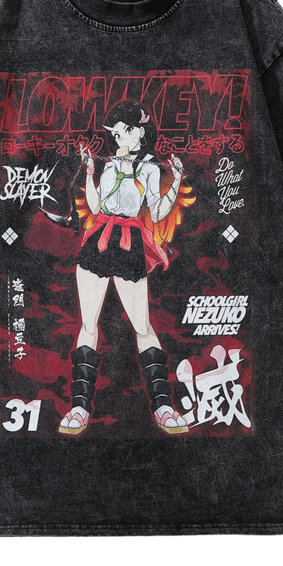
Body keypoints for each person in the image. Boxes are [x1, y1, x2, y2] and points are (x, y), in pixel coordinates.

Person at [59, 100, 189, 436]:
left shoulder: (149, 168)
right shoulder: (109, 164)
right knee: (88, 324)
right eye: (115, 134)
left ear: (140, 132)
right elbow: (96, 206)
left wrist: (176, 180)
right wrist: (90, 172)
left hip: (129, 243)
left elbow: (157, 213)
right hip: (99, 239)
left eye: (125, 131)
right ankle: (79, 407)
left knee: (142, 326)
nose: (119, 139)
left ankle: (163, 405)